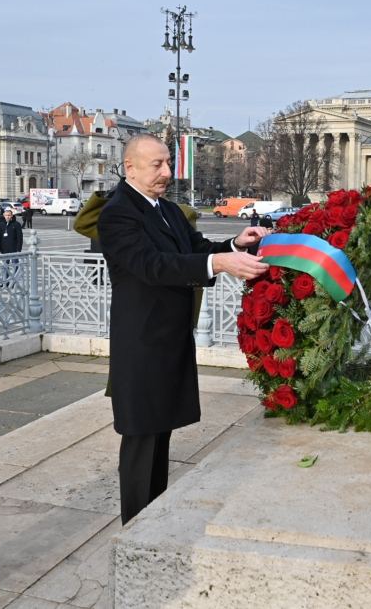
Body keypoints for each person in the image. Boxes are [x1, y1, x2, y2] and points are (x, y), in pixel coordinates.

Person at [98, 134, 269, 525]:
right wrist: (221, 264)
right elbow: (152, 265)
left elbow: (193, 249)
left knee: (161, 434)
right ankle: (136, 531)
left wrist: (233, 244)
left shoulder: (168, 210)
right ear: (130, 168)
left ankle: (153, 520)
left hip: (169, 339)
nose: (166, 172)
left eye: (168, 163)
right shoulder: (119, 213)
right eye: (156, 164)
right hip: (141, 343)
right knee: (142, 438)